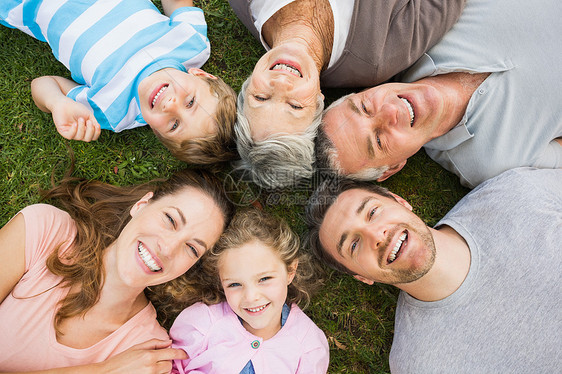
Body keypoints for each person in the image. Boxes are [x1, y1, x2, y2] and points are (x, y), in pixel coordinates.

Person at [305, 167, 561, 372]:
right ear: (362, 277)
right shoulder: (417, 364)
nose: (377, 236)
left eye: (373, 212)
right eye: (354, 245)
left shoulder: (512, 194)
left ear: (401, 201)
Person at [0, 168, 234, 372]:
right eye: (170, 220)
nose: (169, 248)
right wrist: (103, 371)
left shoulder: (147, 351)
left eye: (192, 249)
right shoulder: (45, 233)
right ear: (141, 205)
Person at [318, 0, 562, 188]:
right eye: (379, 140)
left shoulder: (421, 27)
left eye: (365, 107)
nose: (390, 111)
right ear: (392, 168)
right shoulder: (488, 165)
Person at [229, 0, 465, 188]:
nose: (280, 85)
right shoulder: (380, 54)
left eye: (260, 98)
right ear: (319, 101)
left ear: (247, 85)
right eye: (294, 106)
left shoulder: (244, 4)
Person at [1, 0, 237, 165]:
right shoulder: (192, 44)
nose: (171, 106)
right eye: (191, 102)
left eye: (174, 125)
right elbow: (177, 3)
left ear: (157, 133)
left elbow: (43, 83)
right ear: (202, 75)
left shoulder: (111, 111)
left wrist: (56, 102)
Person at [170, 208, 329, 373]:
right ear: (221, 282)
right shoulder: (201, 325)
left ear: (290, 271)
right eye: (235, 284)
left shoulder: (309, 347)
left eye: (264, 279)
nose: (251, 297)